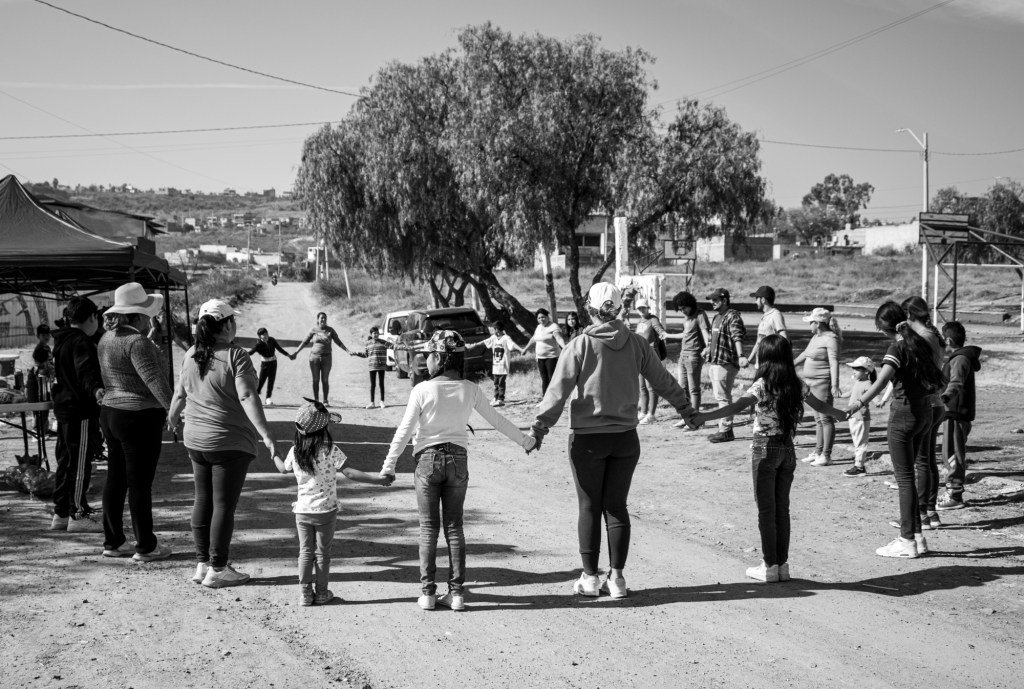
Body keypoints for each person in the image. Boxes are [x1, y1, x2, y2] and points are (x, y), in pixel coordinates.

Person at [527, 283, 698, 599]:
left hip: (588, 441)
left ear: (590, 310)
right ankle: (617, 580)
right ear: (619, 308)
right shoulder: (635, 343)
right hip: (625, 440)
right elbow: (662, 379)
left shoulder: (579, 345)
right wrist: (685, 409)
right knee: (616, 506)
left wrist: (539, 429)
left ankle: (590, 580)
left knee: (589, 506)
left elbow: (557, 391)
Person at [380, 330, 535, 611]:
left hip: (427, 462)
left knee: (428, 530)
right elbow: (497, 421)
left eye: (428, 356)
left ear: (439, 358)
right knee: (454, 528)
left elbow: (404, 432)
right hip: (458, 462)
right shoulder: (471, 389)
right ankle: (457, 594)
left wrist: (388, 466)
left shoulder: (421, 390)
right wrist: (525, 440)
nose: (425, 361)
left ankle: (428, 594)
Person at [693, 335, 846, 582]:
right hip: (787, 449)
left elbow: (736, 407)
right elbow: (822, 407)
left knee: (766, 510)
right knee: (781, 509)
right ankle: (782, 565)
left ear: (765, 358)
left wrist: (703, 417)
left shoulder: (762, 385)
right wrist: (842, 413)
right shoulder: (797, 384)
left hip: (764, 449)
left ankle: (769, 566)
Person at [167, 299, 277, 588]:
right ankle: (218, 567)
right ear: (227, 324)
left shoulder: (191, 353)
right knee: (223, 506)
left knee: (203, 500)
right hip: (228, 442)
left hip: (196, 440)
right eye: (233, 321)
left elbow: (179, 395)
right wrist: (266, 435)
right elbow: (247, 396)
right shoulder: (235, 355)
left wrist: (172, 418)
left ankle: (203, 563)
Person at [844, 301, 946, 558]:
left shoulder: (898, 347)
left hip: (904, 414)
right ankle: (918, 538)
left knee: (904, 479)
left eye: (880, 328)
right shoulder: (921, 341)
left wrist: (859, 403)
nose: (880, 332)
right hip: (925, 411)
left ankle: (907, 540)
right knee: (910, 475)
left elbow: (881, 380)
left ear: (886, 326)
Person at [274, 400, 392, 606]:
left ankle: (305, 594)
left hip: (302, 512)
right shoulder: (330, 450)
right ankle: (321, 593)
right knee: (322, 553)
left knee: (305, 551)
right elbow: (350, 472)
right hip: (326, 512)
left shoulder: (295, 452)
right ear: (323, 429)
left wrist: (273, 452)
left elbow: (282, 469)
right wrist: (379, 479)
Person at [97, 283, 174, 560]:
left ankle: (113, 540)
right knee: (140, 482)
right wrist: (173, 410)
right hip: (139, 415)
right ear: (138, 316)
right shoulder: (137, 342)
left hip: (111, 412)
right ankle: (146, 545)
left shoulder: (106, 339)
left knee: (116, 478)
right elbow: (154, 380)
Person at [49, 297, 104, 532]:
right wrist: (97, 390)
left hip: (63, 409)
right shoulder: (81, 341)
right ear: (92, 317)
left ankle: (61, 513)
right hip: (79, 410)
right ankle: (78, 514)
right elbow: (86, 372)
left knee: (65, 462)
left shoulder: (61, 340)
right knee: (80, 464)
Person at [901, 296, 947, 530]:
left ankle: (922, 513)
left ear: (909, 316)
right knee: (928, 461)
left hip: (927, 402)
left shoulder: (923, 339)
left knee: (921, 462)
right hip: (937, 402)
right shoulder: (933, 335)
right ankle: (930, 511)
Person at [937, 321, 981, 511]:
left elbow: (956, 382)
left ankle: (955, 494)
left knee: (953, 454)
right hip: (952, 413)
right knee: (949, 452)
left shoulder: (960, 359)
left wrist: (945, 396)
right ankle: (952, 490)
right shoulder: (958, 358)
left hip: (956, 413)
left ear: (947, 339)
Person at [793, 308, 842, 466]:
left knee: (826, 418)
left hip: (822, 383)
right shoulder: (816, 337)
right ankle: (818, 451)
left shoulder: (831, 339)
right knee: (818, 419)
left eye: (811, 322)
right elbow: (805, 354)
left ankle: (826, 455)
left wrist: (834, 385)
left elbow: (834, 363)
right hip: (810, 384)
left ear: (818, 323)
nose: (809, 326)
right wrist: (788, 365)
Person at [704, 288, 748, 443]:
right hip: (716, 362)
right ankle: (723, 428)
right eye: (711, 300)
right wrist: (707, 350)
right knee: (720, 396)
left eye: (715, 300)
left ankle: (726, 431)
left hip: (726, 363)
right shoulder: (717, 316)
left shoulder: (732, 316)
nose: (712, 302)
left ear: (724, 300)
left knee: (723, 397)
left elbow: (737, 336)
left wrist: (741, 355)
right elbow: (715, 338)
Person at [663, 291, 711, 428]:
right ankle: (686, 417)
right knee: (682, 389)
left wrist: (708, 348)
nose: (682, 311)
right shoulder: (687, 318)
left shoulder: (700, 315)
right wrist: (668, 335)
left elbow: (705, 333)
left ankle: (696, 419)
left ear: (690, 304)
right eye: (680, 309)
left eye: (684, 308)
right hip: (683, 356)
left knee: (694, 389)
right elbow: (686, 335)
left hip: (694, 356)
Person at [292, 311, 351, 406]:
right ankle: (316, 400)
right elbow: (304, 342)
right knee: (315, 380)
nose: (323, 319)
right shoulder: (313, 330)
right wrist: (296, 352)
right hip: (314, 358)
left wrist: (347, 351)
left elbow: (338, 342)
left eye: (324, 318)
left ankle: (325, 400)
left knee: (325, 380)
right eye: (321, 318)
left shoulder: (330, 330)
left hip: (327, 358)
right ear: (318, 319)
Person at [842, 357, 880, 477]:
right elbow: (853, 393)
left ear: (866, 372)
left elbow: (874, 396)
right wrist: (842, 395)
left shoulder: (868, 384)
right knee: (857, 442)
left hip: (861, 417)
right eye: (853, 368)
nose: (853, 371)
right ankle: (858, 465)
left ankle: (859, 467)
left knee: (860, 443)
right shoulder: (858, 382)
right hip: (853, 416)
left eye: (857, 369)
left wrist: (879, 401)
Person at [634, 299, 668, 425]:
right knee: (642, 387)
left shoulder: (653, 319)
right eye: (639, 308)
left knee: (651, 387)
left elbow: (659, 330)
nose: (641, 310)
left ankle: (651, 414)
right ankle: (643, 412)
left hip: (651, 357)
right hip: (640, 357)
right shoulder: (640, 321)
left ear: (648, 308)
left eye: (643, 307)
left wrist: (663, 333)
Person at [520, 308, 566, 399]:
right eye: (539, 318)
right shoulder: (539, 327)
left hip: (552, 357)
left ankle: (554, 399)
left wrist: (565, 347)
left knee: (551, 378)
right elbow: (533, 338)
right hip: (540, 357)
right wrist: (525, 349)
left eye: (543, 317)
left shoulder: (553, 326)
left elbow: (559, 338)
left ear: (547, 317)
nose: (541, 319)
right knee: (544, 379)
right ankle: (545, 398)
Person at [473, 322, 518, 406]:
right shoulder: (494, 338)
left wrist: (521, 349)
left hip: (503, 365)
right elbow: (485, 342)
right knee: (496, 382)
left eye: (496, 329)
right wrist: (474, 345)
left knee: (501, 382)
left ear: (499, 329)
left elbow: (513, 345)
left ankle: (501, 398)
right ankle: (495, 397)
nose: (495, 331)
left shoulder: (506, 338)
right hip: (496, 365)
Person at [349, 326, 394, 409]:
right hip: (372, 366)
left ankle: (382, 401)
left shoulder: (383, 342)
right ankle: (372, 402)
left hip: (381, 366)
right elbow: (365, 354)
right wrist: (355, 353)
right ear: (371, 334)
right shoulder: (368, 344)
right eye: (374, 333)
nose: (376, 335)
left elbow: (393, 346)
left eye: (377, 333)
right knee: (372, 385)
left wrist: (402, 347)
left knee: (381, 384)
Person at [247, 327, 293, 406]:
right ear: (260, 336)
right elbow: (250, 352)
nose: (265, 336)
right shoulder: (258, 345)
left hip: (273, 363)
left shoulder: (272, 340)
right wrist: (241, 355)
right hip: (265, 364)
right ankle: (255, 397)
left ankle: (268, 398)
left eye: (266, 333)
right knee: (261, 381)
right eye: (263, 335)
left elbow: (279, 349)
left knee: (271, 381)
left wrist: (288, 355)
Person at [750, 286, 788, 359]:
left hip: (771, 364)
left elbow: (784, 338)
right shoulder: (765, 316)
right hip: (760, 364)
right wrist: (748, 360)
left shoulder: (776, 315)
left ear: (763, 300)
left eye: (756, 299)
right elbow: (758, 342)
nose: (755, 302)